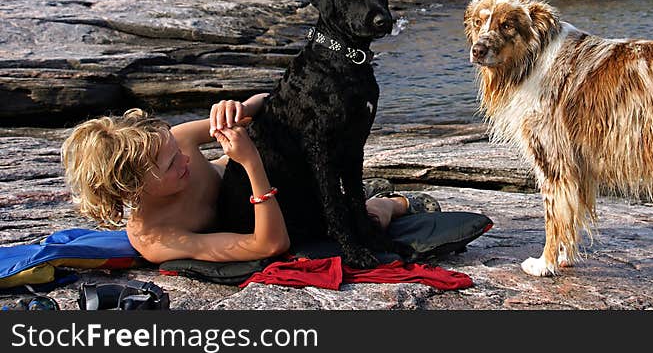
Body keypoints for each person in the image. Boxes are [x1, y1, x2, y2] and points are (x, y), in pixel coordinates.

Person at [60, 93, 427, 264]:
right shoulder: (157, 237)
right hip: (263, 205)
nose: (185, 157)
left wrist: (241, 107)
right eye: (171, 163)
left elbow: (273, 104)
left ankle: (359, 193)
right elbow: (268, 246)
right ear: (133, 186)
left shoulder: (181, 139)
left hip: (269, 177)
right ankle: (387, 202)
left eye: (176, 147)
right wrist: (251, 164)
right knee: (364, 222)